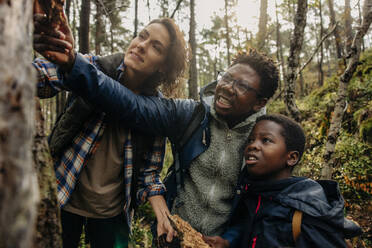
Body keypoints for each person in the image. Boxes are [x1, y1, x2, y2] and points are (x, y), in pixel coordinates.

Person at [37, 29, 280, 245]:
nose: (227, 87)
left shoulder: (262, 140)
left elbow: (258, 202)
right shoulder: (188, 114)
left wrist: (231, 239)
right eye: (226, 77)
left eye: (242, 86)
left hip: (119, 216)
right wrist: (71, 64)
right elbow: (130, 105)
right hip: (68, 198)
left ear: (260, 103)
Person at [33, 10, 188, 248]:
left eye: (156, 47)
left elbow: (149, 172)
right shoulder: (95, 66)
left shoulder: (156, 112)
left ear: (164, 68)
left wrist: (162, 213)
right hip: (63, 195)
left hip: (112, 215)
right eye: (142, 36)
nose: (141, 46)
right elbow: (47, 75)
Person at [203, 114, 362, 248]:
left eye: (266, 140)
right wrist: (228, 242)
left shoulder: (306, 212)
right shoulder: (252, 193)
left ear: (291, 158)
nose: (253, 146)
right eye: (250, 140)